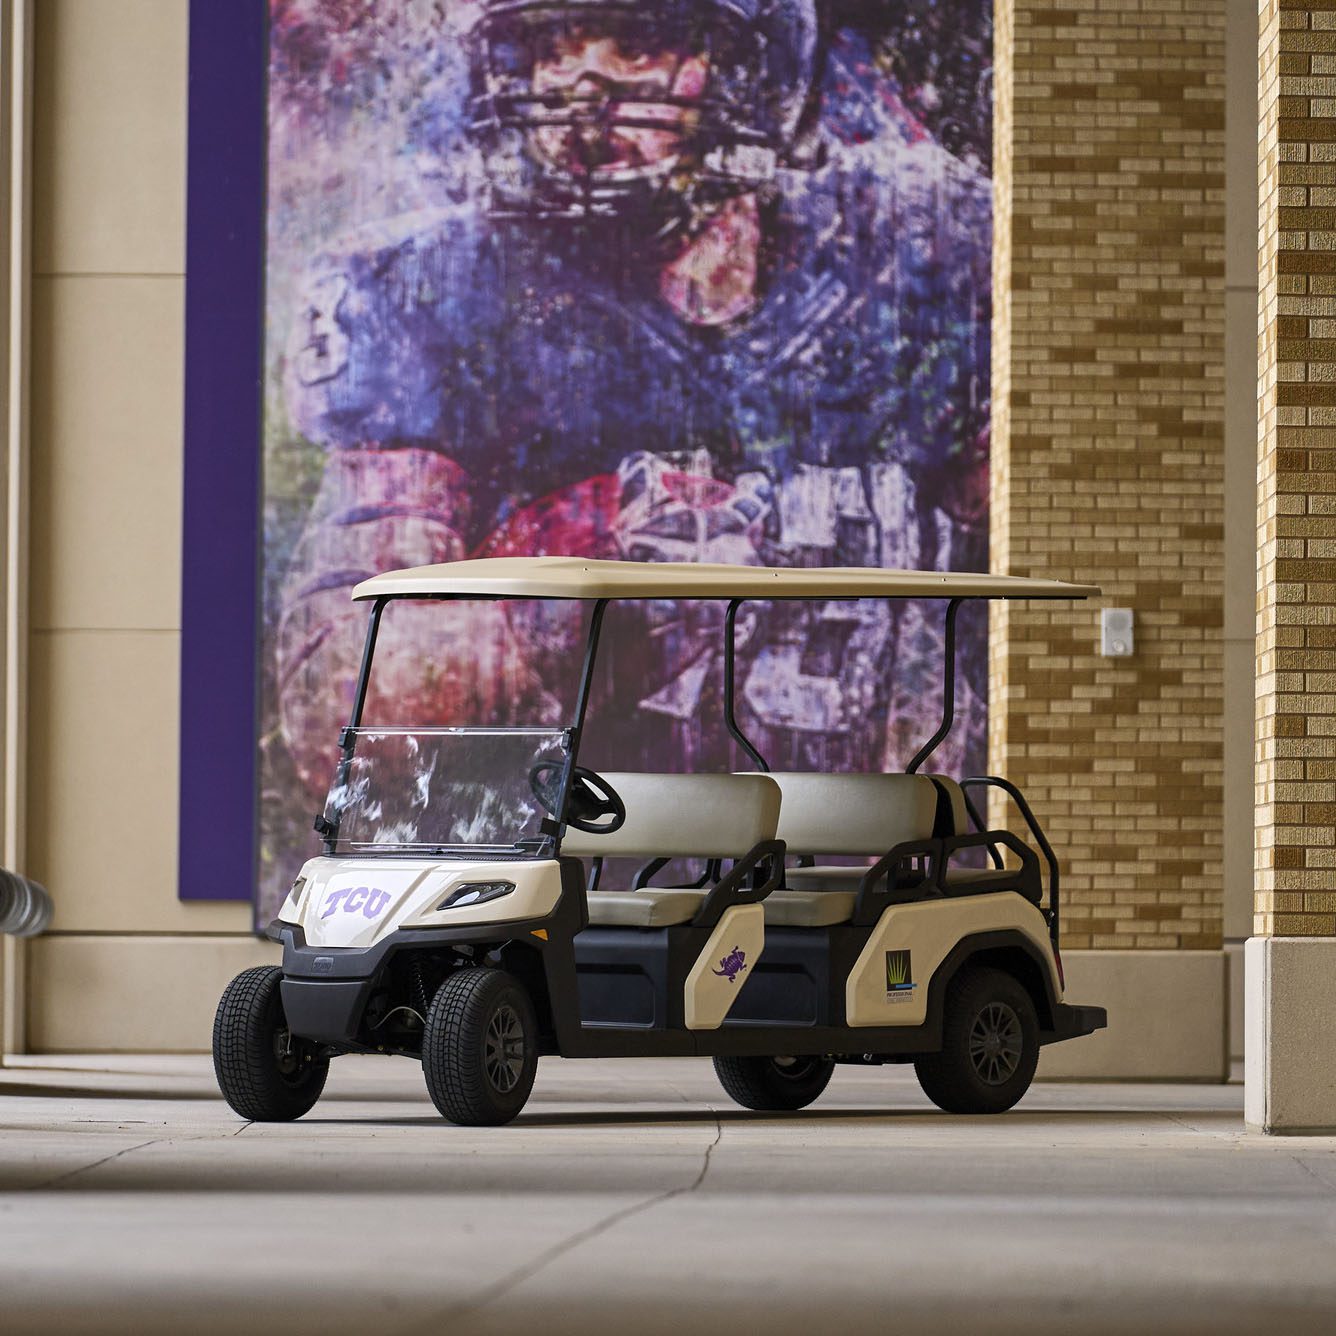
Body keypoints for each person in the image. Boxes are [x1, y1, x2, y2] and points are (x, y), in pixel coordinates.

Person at [273, 0, 990, 809]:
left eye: (640, 44)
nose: (585, 87)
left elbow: (1038, 544)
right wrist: (586, 587)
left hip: (870, 851)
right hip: (604, 856)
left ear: (747, 67)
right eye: (553, 47)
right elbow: (345, 706)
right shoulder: (436, 288)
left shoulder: (912, 248)